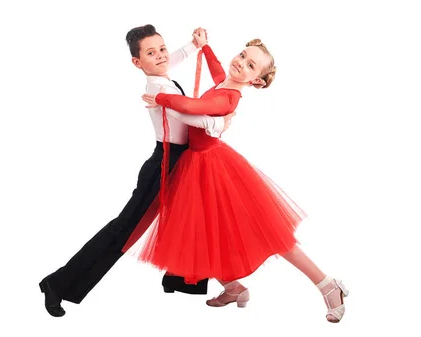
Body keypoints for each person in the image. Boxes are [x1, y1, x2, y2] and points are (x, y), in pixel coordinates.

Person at [124, 31, 349, 323]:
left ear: (255, 81)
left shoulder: (228, 97)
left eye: (251, 66)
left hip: (216, 168)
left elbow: (193, 107)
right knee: (203, 232)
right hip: (195, 165)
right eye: (242, 55)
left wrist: (161, 97)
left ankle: (328, 285)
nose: (242, 63)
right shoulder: (226, 81)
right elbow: (219, 71)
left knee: (270, 233)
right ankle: (233, 288)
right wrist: (205, 48)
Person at [38, 24, 234, 317]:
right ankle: (58, 284)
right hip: (164, 165)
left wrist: (194, 46)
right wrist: (220, 123)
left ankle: (179, 278)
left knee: (190, 219)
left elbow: (173, 59)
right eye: (151, 53)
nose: (161, 56)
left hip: (183, 160)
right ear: (137, 62)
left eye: (162, 49)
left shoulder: (161, 73)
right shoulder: (157, 88)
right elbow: (188, 114)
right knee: (124, 231)